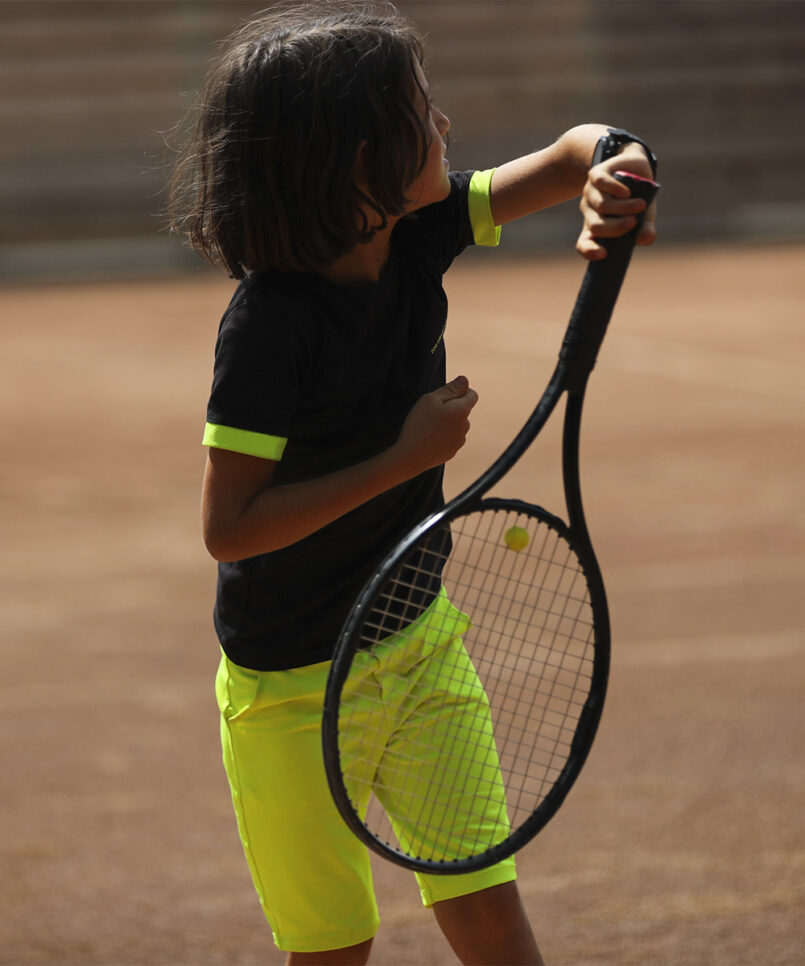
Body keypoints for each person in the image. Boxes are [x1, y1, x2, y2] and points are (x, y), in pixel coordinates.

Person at [169, 3, 657, 963]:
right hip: (288, 692)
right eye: (420, 111)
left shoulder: (420, 231)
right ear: (356, 163)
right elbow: (232, 530)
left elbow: (570, 157)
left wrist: (615, 163)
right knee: (332, 950)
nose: (443, 125)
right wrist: (405, 457)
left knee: (487, 915)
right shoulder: (267, 329)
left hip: (419, 644)